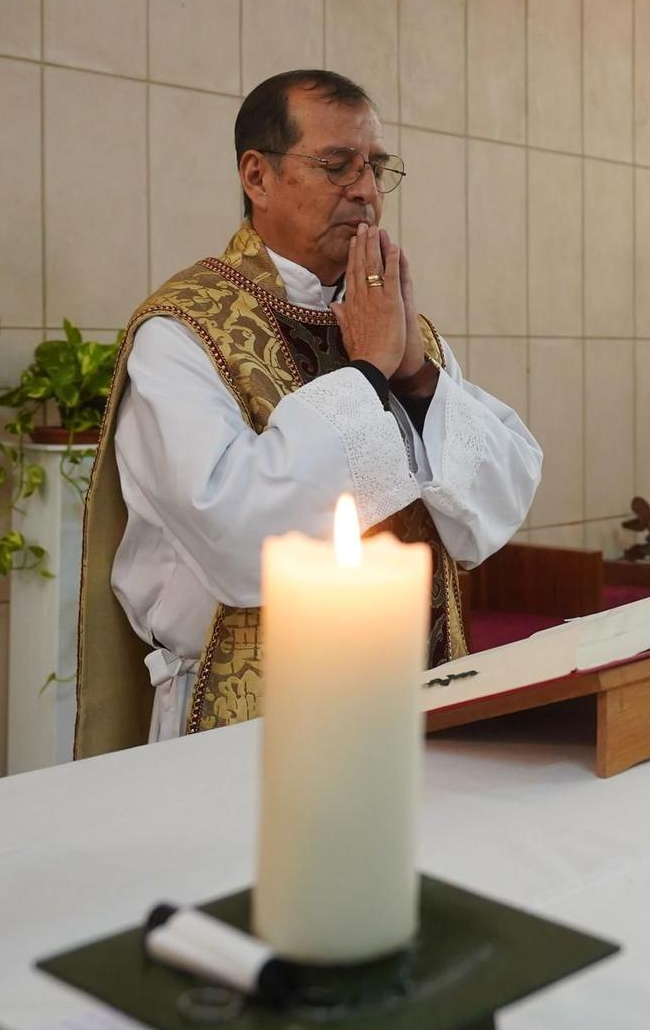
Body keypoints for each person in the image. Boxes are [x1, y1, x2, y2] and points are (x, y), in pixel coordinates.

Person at [75, 70, 542, 751]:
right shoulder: (181, 332)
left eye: (376, 168)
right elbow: (237, 532)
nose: (365, 191)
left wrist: (413, 374)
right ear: (257, 178)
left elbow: (494, 508)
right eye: (336, 165)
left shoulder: (396, 327)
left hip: (409, 692)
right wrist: (364, 373)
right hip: (242, 719)